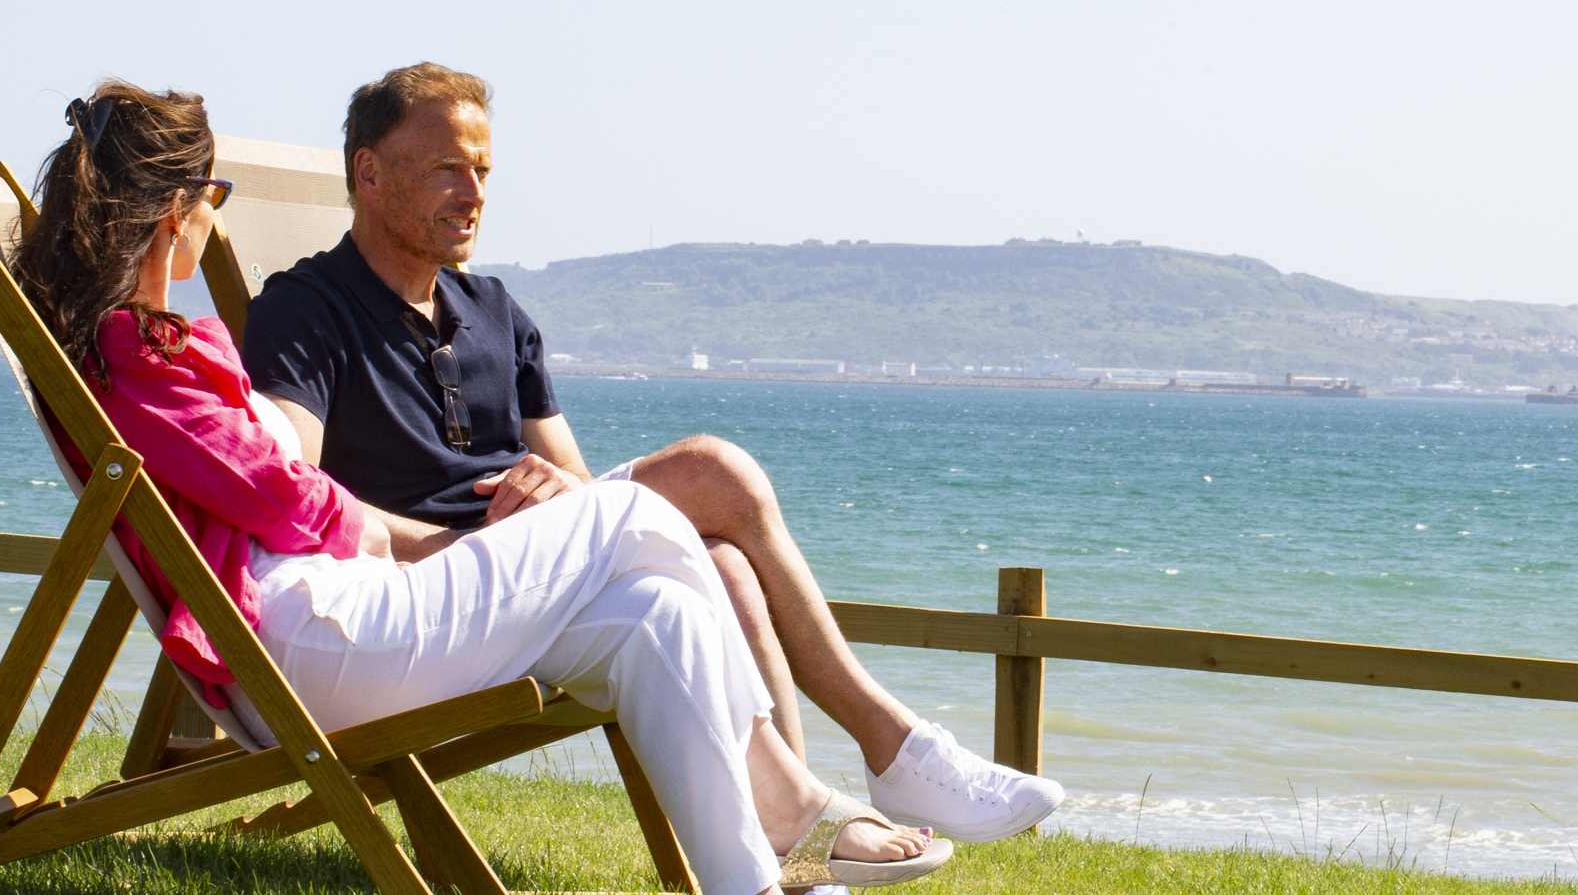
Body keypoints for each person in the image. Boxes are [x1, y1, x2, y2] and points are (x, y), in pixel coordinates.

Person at [9, 80, 950, 894]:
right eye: (212, 194)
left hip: (336, 624)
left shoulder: (150, 347)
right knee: (630, 509)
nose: (215, 211)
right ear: (178, 210)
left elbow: (282, 485)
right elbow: (282, 492)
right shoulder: (139, 357)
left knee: (657, 610)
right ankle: (796, 806)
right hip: (307, 644)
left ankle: (751, 876)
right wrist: (432, 542)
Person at [236, 63, 1064, 842]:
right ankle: (897, 751)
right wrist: (436, 542)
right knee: (716, 470)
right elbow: (290, 485)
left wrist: (558, 492)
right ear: (371, 174)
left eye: (484, 171)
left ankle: (802, 849)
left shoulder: (494, 309)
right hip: (425, 600)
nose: (475, 193)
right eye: (450, 169)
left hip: (537, 572)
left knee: (730, 570)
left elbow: (578, 481)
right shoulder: (304, 310)